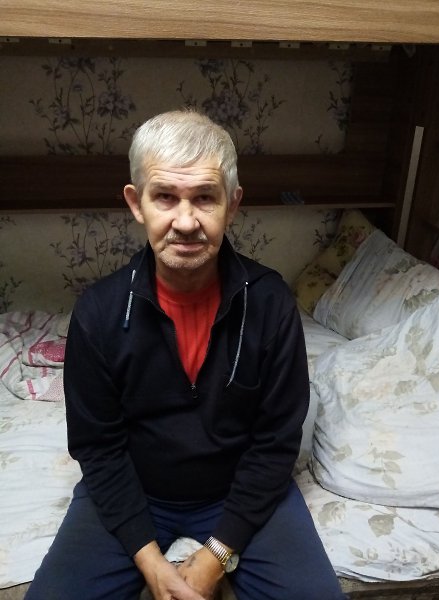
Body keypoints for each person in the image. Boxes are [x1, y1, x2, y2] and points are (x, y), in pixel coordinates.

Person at [25, 110, 346, 600]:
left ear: (232, 205)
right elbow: (97, 446)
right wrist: (152, 563)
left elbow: (277, 441)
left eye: (204, 197)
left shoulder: (270, 303)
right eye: (165, 197)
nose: (186, 221)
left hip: (242, 492)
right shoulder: (99, 312)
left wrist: (216, 556)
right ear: (136, 203)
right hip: (134, 489)